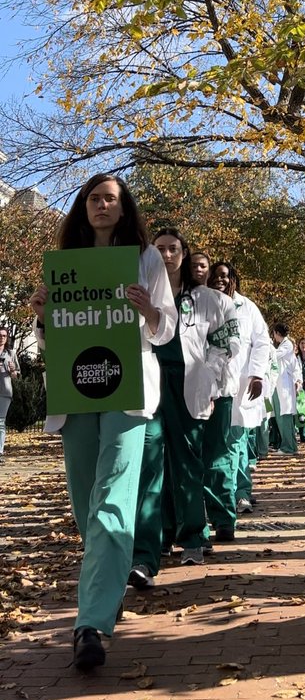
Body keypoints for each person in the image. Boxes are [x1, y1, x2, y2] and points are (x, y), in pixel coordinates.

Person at [29, 174, 177, 672]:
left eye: (110, 199)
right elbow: (54, 342)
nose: (101, 205)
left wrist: (149, 310)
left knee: (112, 498)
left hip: (128, 393)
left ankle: (89, 624)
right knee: (84, 503)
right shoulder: (66, 264)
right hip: (76, 394)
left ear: (123, 208)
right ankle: (106, 587)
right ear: (83, 207)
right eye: (94, 198)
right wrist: (43, 317)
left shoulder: (145, 258)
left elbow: (166, 329)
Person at [129, 229, 239, 584]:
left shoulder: (209, 299)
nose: (166, 255)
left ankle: (193, 536)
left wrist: (211, 373)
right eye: (159, 249)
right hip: (149, 378)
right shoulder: (139, 291)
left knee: (187, 458)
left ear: (184, 254)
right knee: (151, 459)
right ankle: (158, 536)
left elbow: (228, 342)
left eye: (173, 249)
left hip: (188, 383)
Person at [204, 260, 269, 523]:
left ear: (233, 280)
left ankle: (239, 492)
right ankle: (221, 496)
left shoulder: (247, 307)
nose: (220, 280)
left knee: (236, 441)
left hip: (240, 383)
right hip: (209, 383)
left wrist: (256, 375)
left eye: (225, 276)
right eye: (215, 276)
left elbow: (262, 341)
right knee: (219, 444)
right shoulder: (201, 303)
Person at [271, 323, 300, 456]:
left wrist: (265, 346)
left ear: (277, 333)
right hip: (280, 385)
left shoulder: (287, 345)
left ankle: (288, 447)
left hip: (284, 386)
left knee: (285, 417)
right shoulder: (284, 345)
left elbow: (274, 355)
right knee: (281, 416)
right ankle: (290, 445)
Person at [0, 326, 19, 460]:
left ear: (7, 338)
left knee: (0, 422)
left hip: (4, 391)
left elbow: (16, 376)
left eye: (4, 336)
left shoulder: (11, 353)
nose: (1, 338)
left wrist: (12, 370)